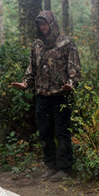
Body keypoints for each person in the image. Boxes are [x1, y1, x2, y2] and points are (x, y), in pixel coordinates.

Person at [9, 10, 81, 181]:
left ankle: (64, 169)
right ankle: (51, 166)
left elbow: (74, 68)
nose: (43, 27)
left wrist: (71, 85)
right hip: (42, 94)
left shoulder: (66, 43)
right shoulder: (37, 46)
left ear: (52, 23)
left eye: (45, 24)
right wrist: (25, 83)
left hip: (60, 94)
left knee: (62, 131)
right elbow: (31, 69)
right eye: (40, 25)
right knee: (45, 132)